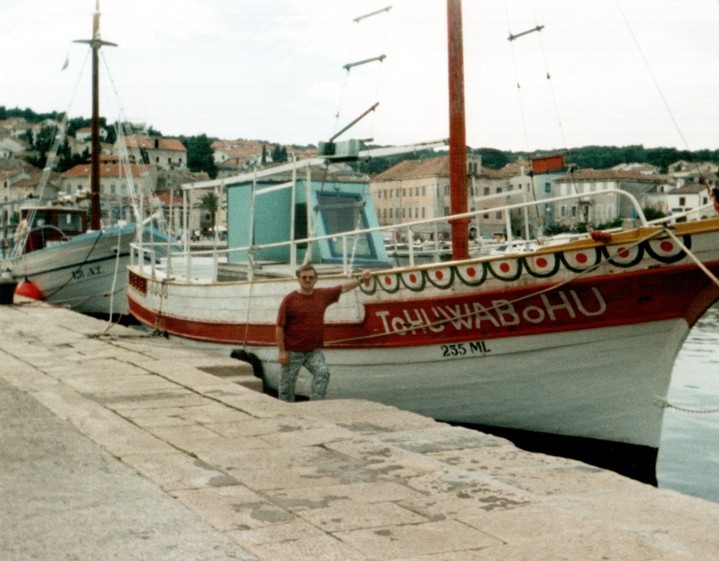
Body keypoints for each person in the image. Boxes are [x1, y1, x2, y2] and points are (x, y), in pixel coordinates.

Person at [275, 264, 372, 402]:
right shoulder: (289, 300)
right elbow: (279, 327)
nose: (307, 280)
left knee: (323, 373)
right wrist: (282, 351)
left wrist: (361, 279)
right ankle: (284, 414)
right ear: (298, 279)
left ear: (316, 280)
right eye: (304, 277)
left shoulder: (322, 295)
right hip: (292, 351)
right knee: (286, 388)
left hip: (313, 351)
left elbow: (343, 288)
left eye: (311, 277)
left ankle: (316, 406)